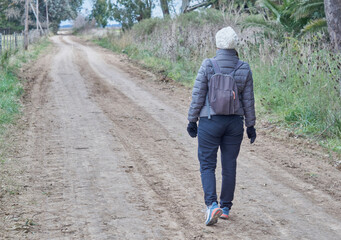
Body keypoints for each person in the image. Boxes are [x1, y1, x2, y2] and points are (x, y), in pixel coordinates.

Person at [187, 27, 256, 226]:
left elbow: (198, 95)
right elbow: (248, 100)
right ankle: (225, 207)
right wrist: (250, 125)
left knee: (207, 164)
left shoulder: (208, 65)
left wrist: (192, 120)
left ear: (217, 44)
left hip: (210, 121)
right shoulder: (244, 67)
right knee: (229, 165)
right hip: (235, 123)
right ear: (234, 45)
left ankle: (212, 205)